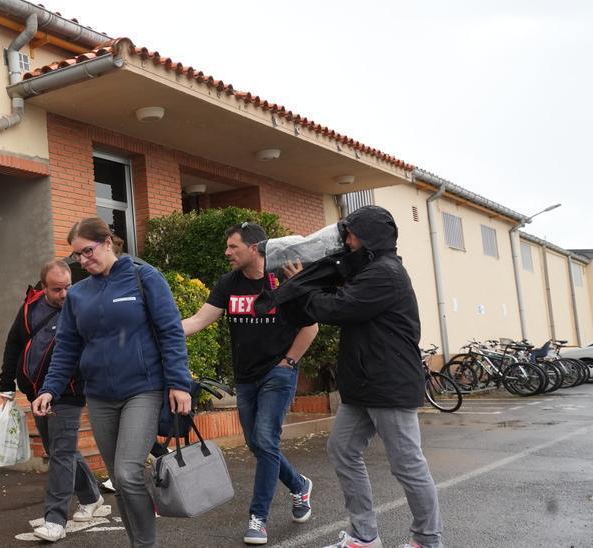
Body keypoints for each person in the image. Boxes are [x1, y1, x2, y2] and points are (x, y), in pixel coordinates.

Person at [275, 206, 442, 548]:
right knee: (342, 450)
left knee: (407, 465)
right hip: (363, 386)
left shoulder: (386, 274)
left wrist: (300, 284)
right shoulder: (367, 269)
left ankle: (427, 540)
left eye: (351, 234)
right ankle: (364, 537)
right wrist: (300, 285)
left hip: (389, 385)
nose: (346, 241)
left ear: (368, 237)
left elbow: (337, 307)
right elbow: (324, 301)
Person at [32, 217, 192, 548]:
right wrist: (50, 388)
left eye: (88, 251)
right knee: (120, 479)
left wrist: (178, 382)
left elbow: (171, 331)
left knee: (128, 473)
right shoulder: (78, 294)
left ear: (107, 242)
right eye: (77, 255)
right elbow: (67, 348)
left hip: (143, 390)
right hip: (101, 396)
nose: (83, 260)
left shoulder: (143, 277)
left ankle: (147, 545)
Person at [180, 222, 318, 545]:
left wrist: (289, 362)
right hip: (246, 377)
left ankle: (259, 519)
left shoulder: (283, 279)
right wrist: (164, 330)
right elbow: (200, 320)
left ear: (254, 248)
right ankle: (299, 486)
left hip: (278, 372)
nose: (227, 253)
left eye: (233, 247)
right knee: (258, 444)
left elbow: (310, 327)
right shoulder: (229, 284)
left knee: (267, 440)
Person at [0, 259, 106, 541]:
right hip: (36, 394)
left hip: (69, 392)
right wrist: (5, 383)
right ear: (43, 287)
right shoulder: (29, 311)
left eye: (68, 287)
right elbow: (13, 346)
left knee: (60, 454)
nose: (64, 295)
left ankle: (55, 519)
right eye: (57, 290)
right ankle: (92, 496)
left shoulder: (81, 307)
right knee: (60, 449)